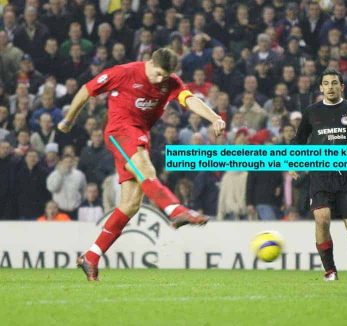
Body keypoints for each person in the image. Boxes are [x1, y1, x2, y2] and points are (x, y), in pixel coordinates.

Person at [57, 48, 226, 281]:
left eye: (165, 77)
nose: (160, 80)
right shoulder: (125, 72)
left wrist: (214, 117)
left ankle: (91, 256)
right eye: (157, 74)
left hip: (140, 135)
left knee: (130, 204)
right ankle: (175, 211)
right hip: (120, 131)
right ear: (150, 63)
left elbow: (189, 99)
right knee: (146, 169)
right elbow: (87, 90)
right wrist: (69, 120)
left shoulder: (170, 81)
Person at [291, 68, 347, 281]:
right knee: (322, 218)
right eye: (326, 83)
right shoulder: (311, 111)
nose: (330, 87)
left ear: (342, 87)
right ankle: (330, 270)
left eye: (334, 83)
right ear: (320, 88)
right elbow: (298, 141)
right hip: (320, 174)